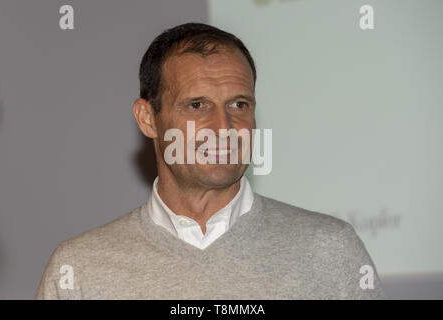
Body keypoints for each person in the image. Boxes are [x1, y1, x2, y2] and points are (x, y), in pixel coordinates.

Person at [35, 22, 386, 299]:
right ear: (147, 118)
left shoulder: (329, 250)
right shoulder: (79, 268)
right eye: (197, 105)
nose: (224, 127)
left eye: (239, 104)